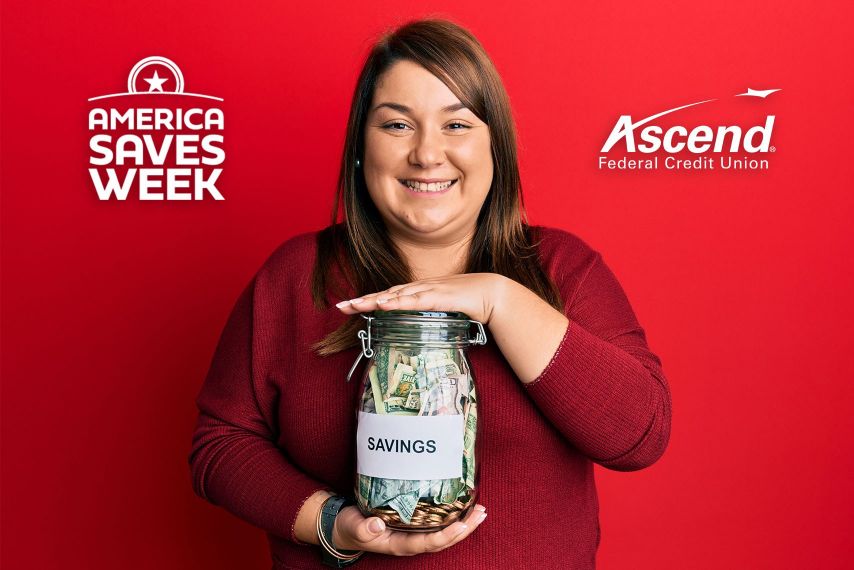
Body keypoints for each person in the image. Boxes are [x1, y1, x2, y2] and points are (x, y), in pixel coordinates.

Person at [189, 18, 672, 570]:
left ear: (496, 147)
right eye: (397, 125)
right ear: (359, 146)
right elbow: (221, 446)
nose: (426, 154)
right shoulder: (299, 276)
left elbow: (639, 435)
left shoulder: (562, 270)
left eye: (457, 125)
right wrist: (334, 525)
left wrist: (502, 299)